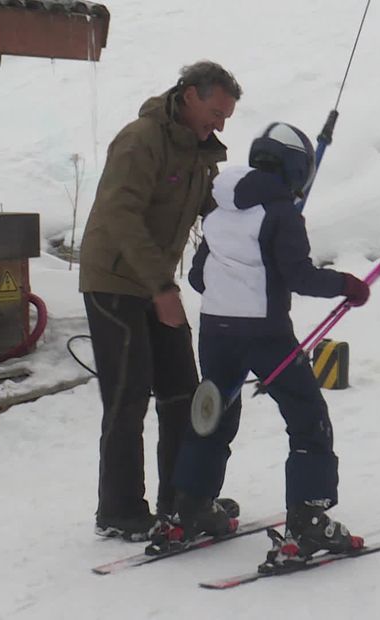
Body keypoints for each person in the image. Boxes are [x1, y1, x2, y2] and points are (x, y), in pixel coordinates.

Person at [169, 122, 370, 557]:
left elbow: (199, 276)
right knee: (307, 415)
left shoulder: (219, 211)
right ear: (296, 168)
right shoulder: (282, 214)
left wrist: (234, 289)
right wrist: (348, 285)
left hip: (216, 332)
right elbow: (299, 276)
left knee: (214, 413)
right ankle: (309, 520)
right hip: (266, 334)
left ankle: (190, 506)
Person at [79, 61, 241, 541]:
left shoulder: (199, 154)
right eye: (215, 111)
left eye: (226, 116)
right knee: (128, 398)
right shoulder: (140, 139)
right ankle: (120, 508)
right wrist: (161, 289)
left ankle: (180, 497)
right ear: (190, 95)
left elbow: (217, 212)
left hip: (154, 283)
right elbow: (119, 216)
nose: (220, 123)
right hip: (114, 281)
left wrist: (267, 212)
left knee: (182, 395)